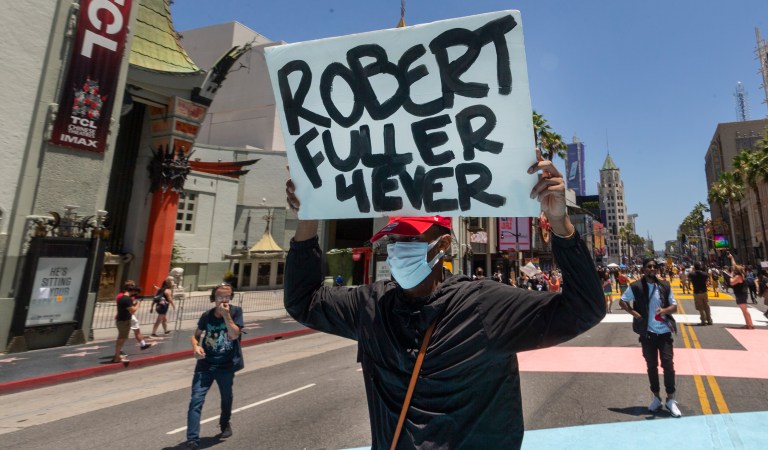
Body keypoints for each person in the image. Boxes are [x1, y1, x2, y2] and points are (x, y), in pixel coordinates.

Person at [283, 150, 605, 449]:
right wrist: (308, 218)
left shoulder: (483, 307)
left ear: (443, 245)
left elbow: (584, 309)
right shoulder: (373, 307)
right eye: (393, 238)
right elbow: (303, 301)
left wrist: (561, 227)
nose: (397, 247)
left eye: (410, 237)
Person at [619, 258, 681, 418]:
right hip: (647, 334)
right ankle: (656, 397)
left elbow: (674, 307)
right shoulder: (636, 286)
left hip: (664, 333)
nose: (652, 269)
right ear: (644, 269)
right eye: (649, 267)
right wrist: (635, 314)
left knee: (668, 364)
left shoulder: (665, 286)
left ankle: (671, 399)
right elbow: (622, 301)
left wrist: (665, 310)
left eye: (655, 266)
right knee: (651, 365)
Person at [185, 283, 244, 449]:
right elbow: (196, 336)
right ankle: (193, 440)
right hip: (205, 364)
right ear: (214, 298)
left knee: (226, 397)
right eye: (220, 297)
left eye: (227, 296)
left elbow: (234, 335)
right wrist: (195, 346)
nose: (223, 300)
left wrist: (226, 316)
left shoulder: (235, 312)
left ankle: (225, 423)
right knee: (196, 400)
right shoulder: (207, 316)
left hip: (226, 365)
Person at [112, 280, 141, 363]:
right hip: (123, 321)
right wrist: (138, 305)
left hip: (122, 320)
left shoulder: (122, 298)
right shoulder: (127, 299)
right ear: (132, 291)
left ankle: (117, 355)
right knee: (121, 339)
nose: (135, 294)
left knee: (122, 338)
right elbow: (132, 311)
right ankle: (117, 356)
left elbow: (127, 309)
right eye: (135, 292)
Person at [726, 254, 754, 329]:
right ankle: (748, 324)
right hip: (741, 294)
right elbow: (734, 265)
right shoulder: (741, 274)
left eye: (734, 270)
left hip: (741, 294)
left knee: (745, 310)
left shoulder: (738, 276)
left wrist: (730, 275)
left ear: (736, 271)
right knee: (744, 310)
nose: (733, 270)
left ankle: (750, 325)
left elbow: (731, 282)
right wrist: (732, 258)